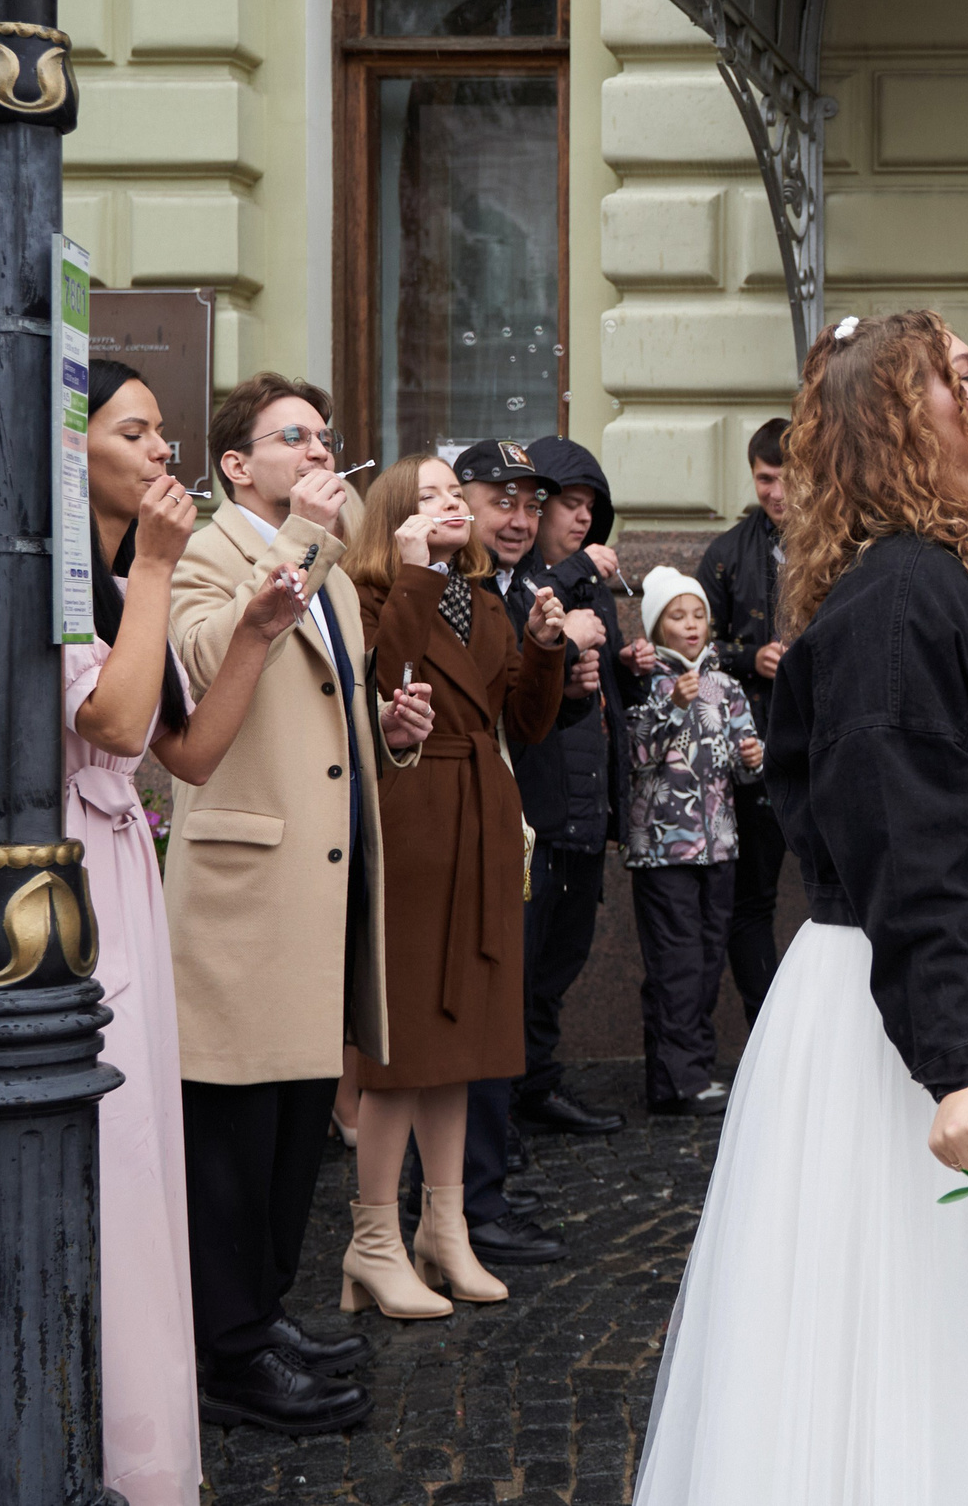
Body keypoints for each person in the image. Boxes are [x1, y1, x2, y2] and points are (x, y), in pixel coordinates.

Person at [635, 310, 968, 1506]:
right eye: (961, 376)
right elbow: (906, 862)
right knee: (918, 1359)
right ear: (906, 428)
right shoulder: (898, 601)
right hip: (930, 1026)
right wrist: (958, 1074)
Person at [72, 361, 318, 1501]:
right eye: (136, 431)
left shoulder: (127, 584)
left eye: (163, 433)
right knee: (104, 1148)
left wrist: (262, 631)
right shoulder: (76, 579)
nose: (162, 451)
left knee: (140, 1150)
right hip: (60, 884)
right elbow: (112, 719)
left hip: (126, 866)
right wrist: (168, 565)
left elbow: (187, 752)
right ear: (71, 450)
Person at [167, 373, 430, 1432]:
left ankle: (260, 1316)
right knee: (231, 1142)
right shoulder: (206, 549)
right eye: (296, 437)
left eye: (326, 435)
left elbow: (328, 728)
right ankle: (225, 1359)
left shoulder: (329, 574)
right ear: (239, 465)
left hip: (320, 896)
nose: (323, 451)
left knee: (288, 1139)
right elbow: (200, 657)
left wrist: (391, 740)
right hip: (241, 894)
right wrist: (308, 548)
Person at [342, 456, 571, 1317]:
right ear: (398, 512)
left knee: (460, 1044)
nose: (455, 506)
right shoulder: (372, 592)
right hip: (409, 817)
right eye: (434, 493)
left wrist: (544, 648)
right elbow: (380, 671)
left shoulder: (483, 605)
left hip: (480, 820)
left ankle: (445, 1227)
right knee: (398, 1047)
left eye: (453, 495)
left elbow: (527, 719)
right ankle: (372, 1237)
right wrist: (413, 571)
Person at [459, 436, 645, 1271]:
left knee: (532, 984)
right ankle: (462, 1192)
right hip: (497, 822)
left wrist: (585, 678)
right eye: (511, 501)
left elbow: (541, 712)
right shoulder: (482, 590)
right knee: (487, 1010)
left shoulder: (520, 591)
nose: (528, 519)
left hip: (551, 815)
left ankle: (481, 1176)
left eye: (536, 505)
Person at [622, 567, 763, 1117]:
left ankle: (687, 1071)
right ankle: (677, 1079)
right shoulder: (646, 679)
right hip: (664, 850)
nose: (691, 626)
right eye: (677, 616)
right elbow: (637, 757)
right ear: (658, 626)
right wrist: (673, 705)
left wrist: (755, 758)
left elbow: (742, 767)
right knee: (675, 963)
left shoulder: (724, 685)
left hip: (719, 845)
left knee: (706, 960)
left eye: (698, 615)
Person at [699, 417, 791, 1023]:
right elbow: (694, 647)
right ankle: (766, 1031)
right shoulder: (728, 553)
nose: (777, 492)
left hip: (833, 749)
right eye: (765, 479)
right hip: (753, 754)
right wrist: (749, 657)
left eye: (789, 478)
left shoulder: (849, 543)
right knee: (753, 899)